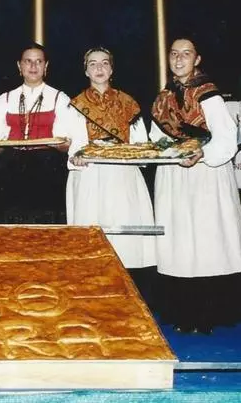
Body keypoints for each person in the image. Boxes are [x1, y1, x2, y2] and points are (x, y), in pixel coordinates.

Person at [149, 37, 241, 334]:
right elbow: (156, 138)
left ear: (197, 60)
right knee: (181, 243)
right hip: (175, 176)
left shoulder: (209, 95)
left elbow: (226, 138)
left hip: (205, 177)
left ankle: (208, 314)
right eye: (174, 53)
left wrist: (201, 154)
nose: (179, 59)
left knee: (207, 242)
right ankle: (182, 312)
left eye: (186, 54)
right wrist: (166, 151)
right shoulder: (163, 98)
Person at [67, 47, 157, 305]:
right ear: (86, 71)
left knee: (127, 240)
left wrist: (128, 154)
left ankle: (130, 300)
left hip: (123, 177)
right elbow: (74, 144)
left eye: (104, 63)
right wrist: (78, 156)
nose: (99, 68)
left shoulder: (128, 103)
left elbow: (140, 143)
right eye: (93, 64)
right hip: (91, 177)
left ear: (112, 69)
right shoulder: (76, 105)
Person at [0, 43, 76, 224]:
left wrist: (63, 145)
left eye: (39, 61)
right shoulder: (5, 99)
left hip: (47, 169)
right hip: (11, 169)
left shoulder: (60, 98)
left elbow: (65, 143)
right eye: (28, 61)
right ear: (19, 66)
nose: (33, 66)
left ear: (46, 66)